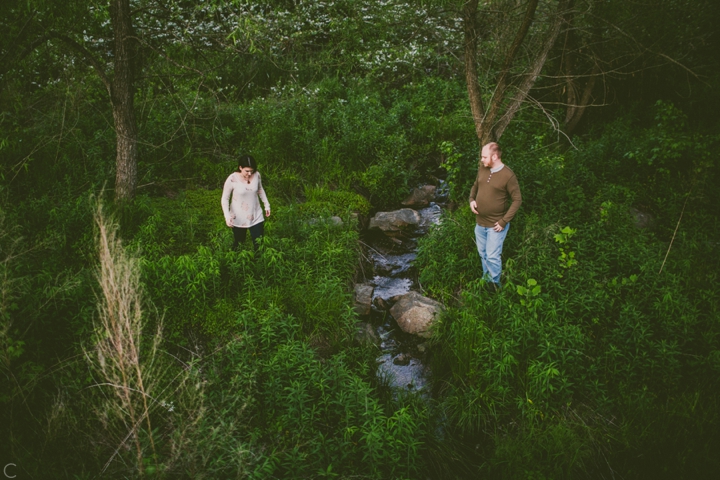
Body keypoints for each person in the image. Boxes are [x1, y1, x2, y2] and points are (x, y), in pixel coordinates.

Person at [469, 142, 522, 290]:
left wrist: (504, 221)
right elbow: (475, 185)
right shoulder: (483, 169)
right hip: (480, 223)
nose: (482, 160)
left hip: (495, 226)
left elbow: (517, 200)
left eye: (484, 157)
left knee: (492, 256)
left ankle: (495, 285)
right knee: (483, 253)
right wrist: (472, 200)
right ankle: (486, 280)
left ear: (495, 156)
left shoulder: (508, 175)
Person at [221, 155, 271, 250]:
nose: (249, 173)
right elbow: (225, 199)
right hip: (238, 217)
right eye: (246, 171)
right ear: (240, 167)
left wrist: (267, 205)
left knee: (259, 243)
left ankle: (259, 263)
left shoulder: (257, 175)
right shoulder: (232, 178)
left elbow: (260, 189)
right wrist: (227, 217)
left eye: (251, 171)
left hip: (256, 214)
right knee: (239, 244)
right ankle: (237, 263)